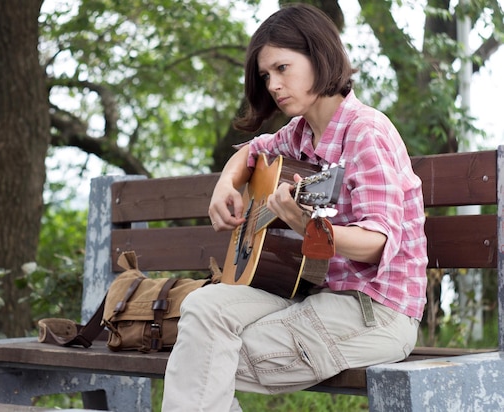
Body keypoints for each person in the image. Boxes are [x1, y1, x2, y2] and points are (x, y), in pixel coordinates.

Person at [161, 3, 427, 411]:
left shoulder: (365, 132)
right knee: (202, 310)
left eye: (283, 68)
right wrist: (226, 183)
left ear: (319, 57)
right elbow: (252, 150)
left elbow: (377, 243)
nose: (273, 84)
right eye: (266, 75)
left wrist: (307, 227)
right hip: (311, 293)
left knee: (205, 353)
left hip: (374, 311)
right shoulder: (300, 133)